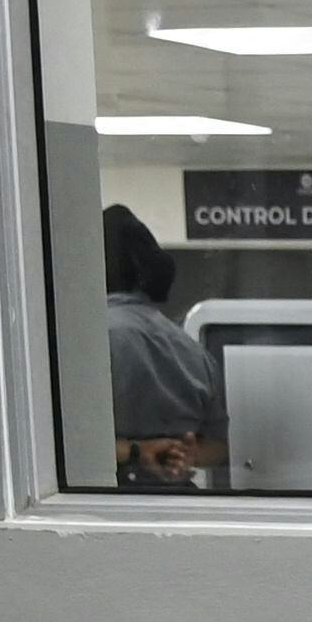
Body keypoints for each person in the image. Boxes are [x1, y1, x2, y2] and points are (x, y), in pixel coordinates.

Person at [101, 205, 222, 490]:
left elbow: (66, 445)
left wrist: (136, 451)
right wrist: (187, 454)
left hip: (109, 508)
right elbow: (218, 446)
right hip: (181, 506)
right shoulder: (193, 349)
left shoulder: (87, 342)